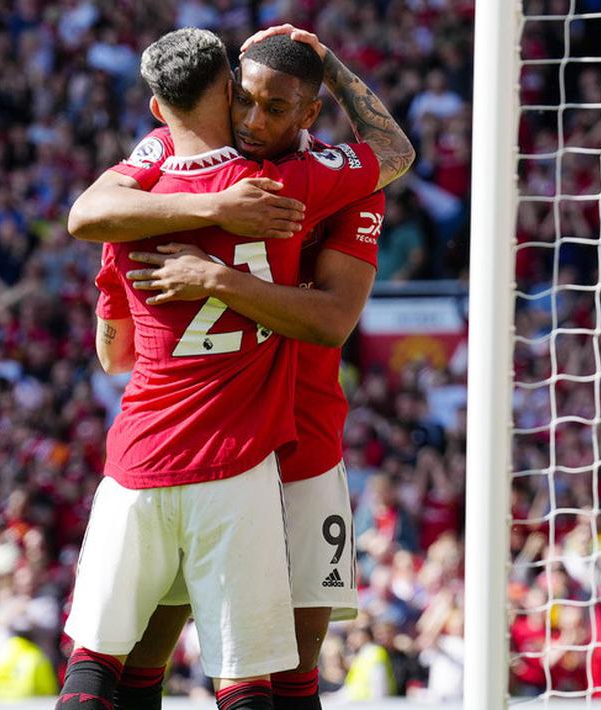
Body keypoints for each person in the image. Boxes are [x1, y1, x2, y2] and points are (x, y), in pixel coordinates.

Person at [68, 24, 414, 710]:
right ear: (226, 91)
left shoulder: (343, 184)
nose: (253, 121)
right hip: (217, 441)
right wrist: (216, 211)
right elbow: (91, 210)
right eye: (243, 102)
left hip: (303, 443)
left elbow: (332, 320)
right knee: (153, 656)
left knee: (289, 673)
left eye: (275, 108)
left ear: (309, 111)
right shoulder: (171, 155)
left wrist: (215, 277)